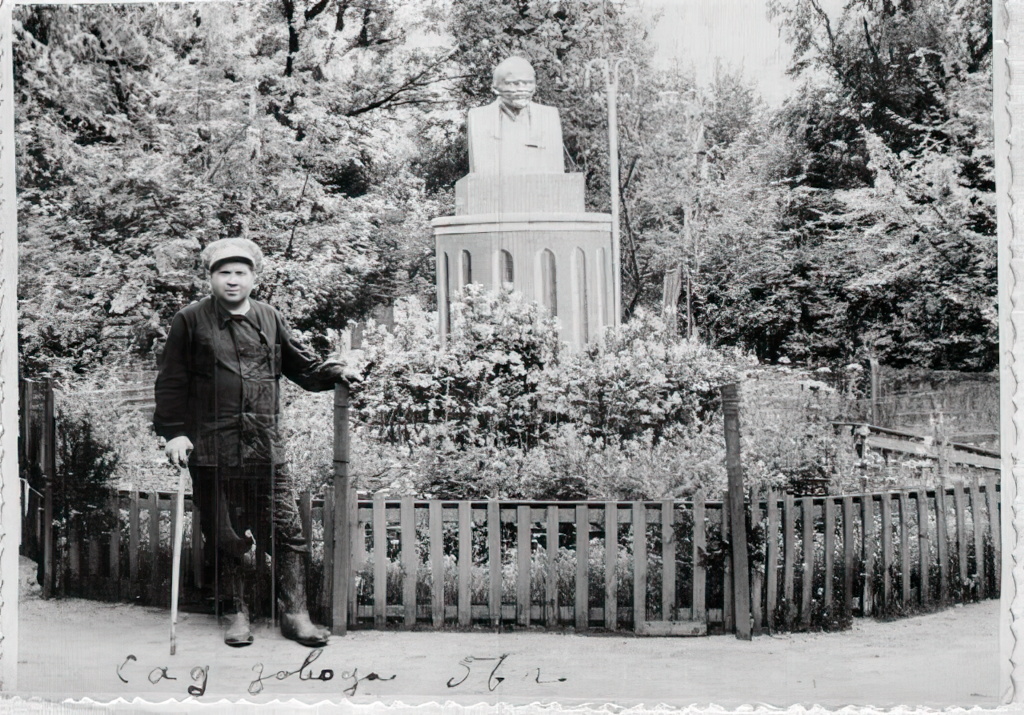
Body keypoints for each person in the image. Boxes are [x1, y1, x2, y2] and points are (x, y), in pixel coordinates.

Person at [154, 237, 349, 647]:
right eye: (223, 272)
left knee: (288, 532)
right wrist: (174, 432)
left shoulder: (270, 317)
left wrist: (335, 373)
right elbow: (171, 380)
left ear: (254, 278)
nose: (232, 280)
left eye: (240, 272)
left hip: (265, 446)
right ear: (210, 277)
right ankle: (235, 613)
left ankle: (296, 615)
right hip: (212, 448)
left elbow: (301, 367)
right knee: (224, 535)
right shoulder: (189, 320)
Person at [466, 56, 565, 174]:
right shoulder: (479, 118)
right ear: (495, 88)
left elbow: (556, 171)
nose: (521, 89)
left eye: (527, 83)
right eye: (513, 84)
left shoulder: (549, 117)